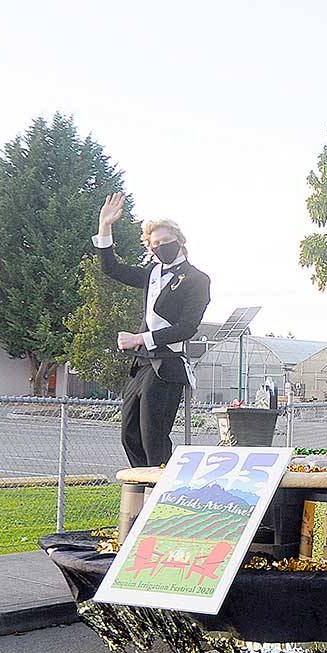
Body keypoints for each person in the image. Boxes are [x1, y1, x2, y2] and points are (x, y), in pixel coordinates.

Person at [94, 193, 211, 468]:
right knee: (129, 436)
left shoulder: (197, 279)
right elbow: (110, 268)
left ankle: (162, 501)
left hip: (167, 365)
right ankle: (143, 495)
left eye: (165, 241)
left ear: (180, 241)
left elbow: (187, 327)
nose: (160, 247)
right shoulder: (152, 273)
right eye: (155, 243)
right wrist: (105, 226)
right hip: (142, 365)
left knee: (154, 439)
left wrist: (140, 338)